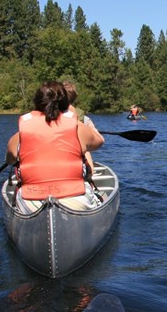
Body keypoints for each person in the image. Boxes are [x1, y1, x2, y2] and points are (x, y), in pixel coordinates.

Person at [6, 81, 105, 213]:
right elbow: (99, 141)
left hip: (31, 203)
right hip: (75, 200)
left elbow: (10, 160)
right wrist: (75, 119)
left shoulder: (20, 135)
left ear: (37, 103)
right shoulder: (76, 127)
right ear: (66, 104)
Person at [63, 81, 98, 175]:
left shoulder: (51, 116)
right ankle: (91, 174)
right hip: (77, 156)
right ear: (75, 98)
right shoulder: (84, 118)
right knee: (85, 149)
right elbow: (97, 139)